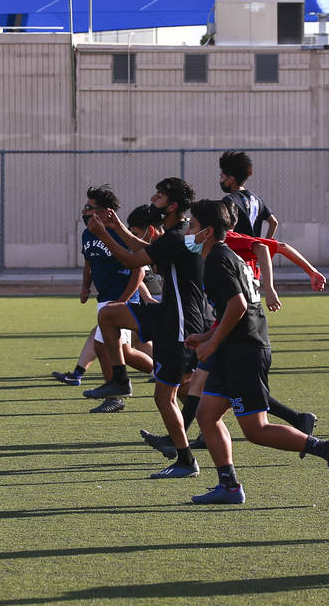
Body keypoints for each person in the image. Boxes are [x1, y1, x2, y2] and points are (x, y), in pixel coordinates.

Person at [184, 199, 329, 503]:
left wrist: (212, 342)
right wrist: (207, 335)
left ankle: (328, 449)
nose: (187, 231)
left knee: (256, 430)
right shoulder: (223, 255)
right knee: (207, 415)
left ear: (207, 232)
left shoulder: (219, 259)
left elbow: (239, 306)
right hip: (234, 349)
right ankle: (229, 486)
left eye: (191, 226)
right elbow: (233, 309)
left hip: (243, 352)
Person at [84, 178, 210, 477]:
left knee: (166, 396)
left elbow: (132, 259)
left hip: (179, 323)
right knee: (109, 315)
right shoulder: (180, 234)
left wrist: (104, 232)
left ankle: (186, 459)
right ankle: (120, 380)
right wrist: (118, 229)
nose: (153, 197)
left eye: (160, 195)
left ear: (173, 205)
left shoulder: (177, 237)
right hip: (170, 313)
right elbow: (151, 253)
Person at [52, 200, 155, 392]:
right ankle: (162, 373)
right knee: (122, 350)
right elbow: (89, 262)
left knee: (107, 347)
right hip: (105, 298)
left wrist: (122, 301)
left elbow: (139, 271)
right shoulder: (86, 234)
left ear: (103, 212)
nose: (84, 211)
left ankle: (113, 392)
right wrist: (85, 286)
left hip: (118, 298)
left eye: (89, 208)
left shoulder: (119, 234)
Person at [219, 150, 278, 239]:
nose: (220, 181)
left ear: (231, 179)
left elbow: (226, 229)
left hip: (237, 251)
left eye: (222, 177)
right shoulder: (258, 200)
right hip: (255, 251)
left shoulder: (229, 200)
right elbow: (274, 222)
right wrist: (266, 243)